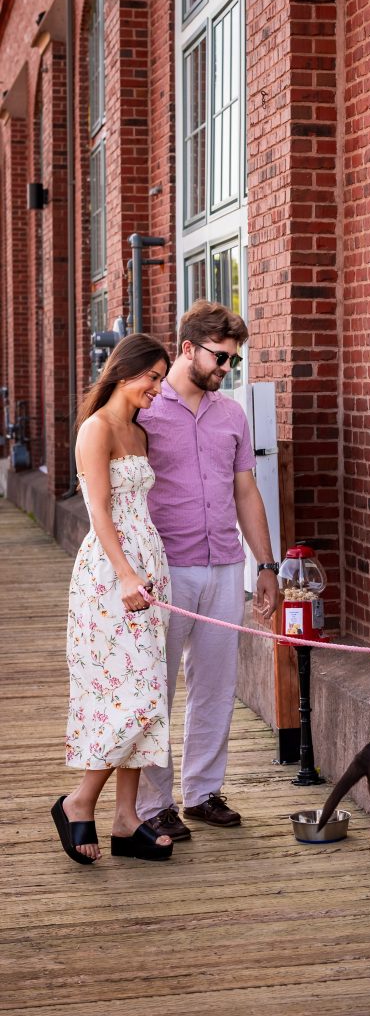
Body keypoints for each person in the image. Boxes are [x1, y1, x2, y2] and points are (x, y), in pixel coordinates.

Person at [136, 299, 279, 841]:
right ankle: (153, 805)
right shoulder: (145, 408)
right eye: (220, 358)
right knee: (156, 686)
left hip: (224, 565)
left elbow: (246, 489)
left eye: (233, 362)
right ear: (188, 348)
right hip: (164, 571)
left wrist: (264, 564)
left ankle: (202, 793)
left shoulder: (231, 414)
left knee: (215, 685)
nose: (226, 370)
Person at [52, 335, 175, 864]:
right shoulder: (96, 430)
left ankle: (126, 820)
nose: (157, 388)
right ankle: (79, 801)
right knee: (136, 696)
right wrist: (126, 575)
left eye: (162, 380)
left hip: (148, 575)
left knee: (147, 698)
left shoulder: (139, 432)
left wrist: (146, 573)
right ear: (125, 372)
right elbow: (99, 511)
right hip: (110, 578)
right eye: (152, 377)